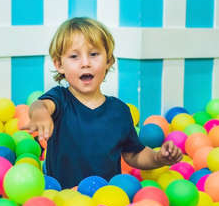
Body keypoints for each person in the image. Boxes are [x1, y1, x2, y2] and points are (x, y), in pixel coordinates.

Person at [26, 17, 183, 188]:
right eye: (74, 56)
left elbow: (134, 154)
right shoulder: (60, 99)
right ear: (59, 64)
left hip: (107, 202)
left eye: (94, 54)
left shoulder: (119, 111)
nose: (85, 63)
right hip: (63, 201)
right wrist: (40, 114)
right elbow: (41, 105)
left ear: (108, 61)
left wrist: (158, 158)